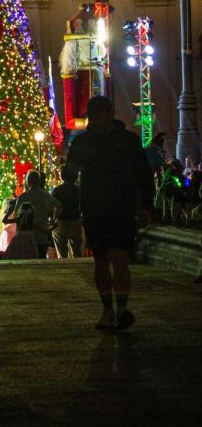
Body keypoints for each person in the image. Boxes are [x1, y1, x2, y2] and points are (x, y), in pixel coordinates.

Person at [66, 95, 154, 331]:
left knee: (120, 257)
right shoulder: (82, 142)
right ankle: (108, 309)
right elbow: (70, 172)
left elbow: (144, 174)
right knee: (101, 259)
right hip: (95, 208)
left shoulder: (127, 141)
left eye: (99, 115)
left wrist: (146, 206)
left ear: (109, 114)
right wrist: (72, 166)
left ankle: (121, 307)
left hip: (121, 208)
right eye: (92, 116)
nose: (95, 120)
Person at [10, 171, 59, 258]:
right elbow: (59, 206)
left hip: (26, 238)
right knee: (41, 259)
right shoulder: (46, 195)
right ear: (39, 181)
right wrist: (54, 218)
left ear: (27, 181)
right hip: (42, 236)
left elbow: (16, 216)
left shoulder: (23, 197)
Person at [51, 166, 83, 258]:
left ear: (62, 176)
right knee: (77, 252)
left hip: (61, 223)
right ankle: (79, 270)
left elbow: (53, 207)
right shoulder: (79, 190)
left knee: (62, 253)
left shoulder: (57, 190)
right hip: (76, 221)